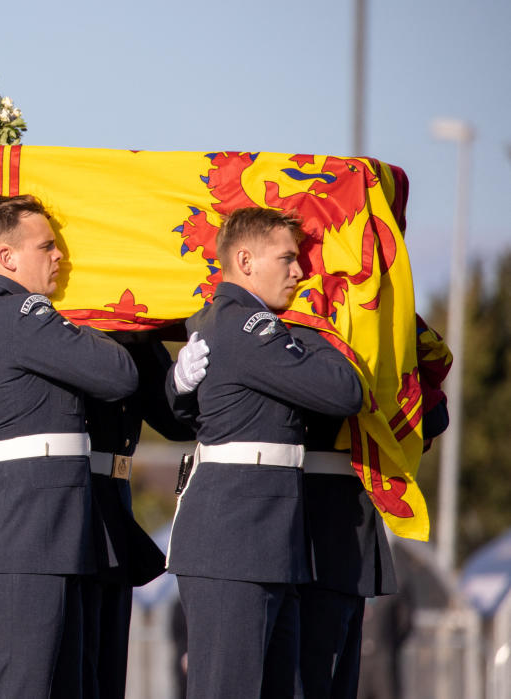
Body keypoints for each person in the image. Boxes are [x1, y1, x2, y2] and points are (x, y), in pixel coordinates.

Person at [0, 193, 139, 698]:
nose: (60, 257)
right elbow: (117, 375)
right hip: (21, 540)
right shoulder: (19, 312)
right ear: (6, 258)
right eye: (46, 247)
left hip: (40, 537)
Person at [164, 206, 363, 698]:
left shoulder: (235, 322)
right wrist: (319, 326)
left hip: (263, 541)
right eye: (287, 259)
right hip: (235, 543)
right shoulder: (248, 326)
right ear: (246, 260)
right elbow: (343, 391)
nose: (300, 272)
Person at [297, 315, 451, 698]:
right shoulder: (297, 321)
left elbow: (432, 415)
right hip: (309, 526)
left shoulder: (371, 317)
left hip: (346, 527)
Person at [81, 334, 196, 699]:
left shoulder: (134, 341)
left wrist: (174, 374)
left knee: (108, 668)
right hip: (72, 500)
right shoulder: (60, 331)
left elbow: (177, 423)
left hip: (115, 501)